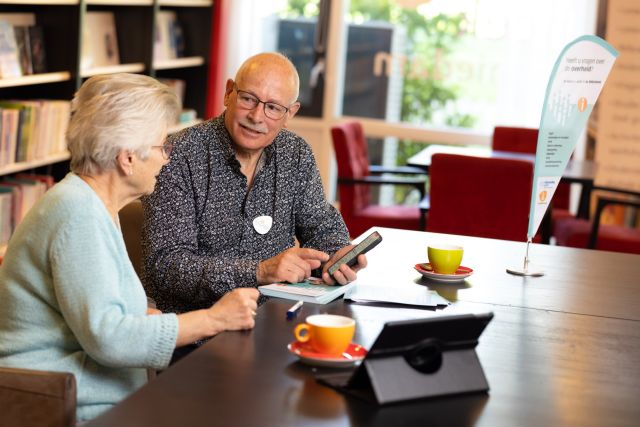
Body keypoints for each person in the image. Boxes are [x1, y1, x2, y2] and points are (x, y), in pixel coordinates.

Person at [0, 74, 259, 422]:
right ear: (128, 159)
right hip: (58, 404)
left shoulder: (93, 203)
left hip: (87, 392)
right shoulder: (77, 213)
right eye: (162, 146)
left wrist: (196, 322)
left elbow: (117, 310)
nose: (167, 159)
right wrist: (213, 319)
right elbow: (110, 337)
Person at [142, 52, 367, 315]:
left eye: (273, 107)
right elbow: (166, 266)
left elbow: (320, 224)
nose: (257, 116)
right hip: (199, 327)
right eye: (248, 99)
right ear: (228, 93)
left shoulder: (295, 153)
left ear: (289, 113)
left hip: (278, 315)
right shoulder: (178, 155)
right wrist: (260, 271)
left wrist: (336, 255)